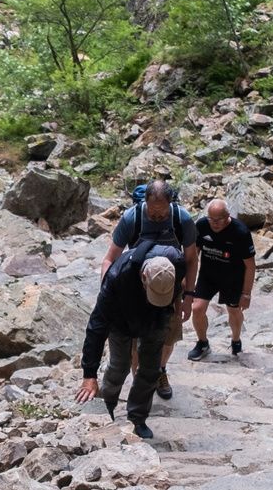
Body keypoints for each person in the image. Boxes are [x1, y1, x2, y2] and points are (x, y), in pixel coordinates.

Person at [75, 245, 185, 440]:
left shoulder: (175, 262)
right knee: (119, 365)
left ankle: (138, 418)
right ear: (144, 278)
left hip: (157, 318)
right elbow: (97, 326)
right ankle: (106, 409)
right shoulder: (117, 276)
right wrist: (89, 374)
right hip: (121, 321)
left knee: (151, 370)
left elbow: (181, 288)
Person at [103, 180, 198, 399]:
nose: (156, 216)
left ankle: (160, 370)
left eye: (162, 212)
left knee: (169, 336)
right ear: (145, 202)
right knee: (137, 342)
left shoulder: (181, 218)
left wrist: (189, 296)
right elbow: (110, 259)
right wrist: (107, 292)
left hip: (173, 287)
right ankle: (142, 382)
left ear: (170, 203)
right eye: (152, 211)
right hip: (137, 288)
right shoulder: (132, 218)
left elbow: (192, 259)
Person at [187, 198, 255, 360]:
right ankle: (202, 343)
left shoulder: (240, 232)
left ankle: (236, 340)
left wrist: (246, 294)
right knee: (197, 309)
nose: (214, 223)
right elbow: (193, 255)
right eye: (211, 219)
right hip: (208, 275)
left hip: (233, 277)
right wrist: (187, 282)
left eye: (219, 220)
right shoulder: (202, 226)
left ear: (228, 216)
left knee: (233, 310)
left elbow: (250, 266)